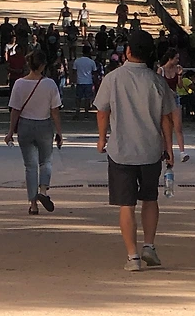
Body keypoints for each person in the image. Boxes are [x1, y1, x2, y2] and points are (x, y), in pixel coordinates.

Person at [94, 34, 176, 271]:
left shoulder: (113, 79)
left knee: (126, 204)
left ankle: (133, 257)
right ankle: (149, 245)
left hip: (121, 150)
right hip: (151, 150)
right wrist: (169, 148)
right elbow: (166, 118)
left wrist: (102, 138)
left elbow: (102, 111)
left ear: (127, 51)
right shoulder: (157, 81)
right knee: (150, 199)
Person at [7, 50, 64, 213]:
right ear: (43, 65)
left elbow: (15, 110)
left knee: (30, 166)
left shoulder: (19, 84)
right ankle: (43, 191)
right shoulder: (50, 84)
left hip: (25, 125)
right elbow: (55, 111)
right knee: (45, 161)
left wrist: (10, 131)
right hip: (44, 125)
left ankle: (33, 204)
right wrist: (59, 132)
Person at [71, 44, 98, 112]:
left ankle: (77, 111)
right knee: (87, 98)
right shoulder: (91, 62)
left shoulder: (77, 61)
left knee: (78, 98)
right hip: (88, 82)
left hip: (79, 82)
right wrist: (96, 82)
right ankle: (86, 112)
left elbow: (74, 72)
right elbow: (95, 73)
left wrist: (73, 82)